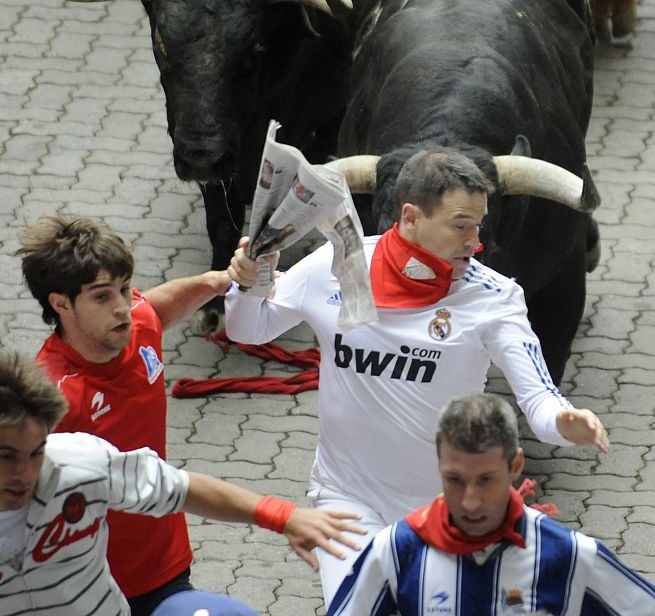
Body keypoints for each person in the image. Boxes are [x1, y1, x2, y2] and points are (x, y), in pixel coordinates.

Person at [224, 147, 610, 605]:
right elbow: (248, 329)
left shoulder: (496, 297)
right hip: (347, 500)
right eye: (460, 225)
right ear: (411, 217)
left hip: (451, 510)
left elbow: (539, 399)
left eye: (478, 226)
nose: (475, 242)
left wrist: (565, 422)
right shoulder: (333, 266)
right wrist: (246, 285)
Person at [15, 213, 363, 615]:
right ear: (61, 304)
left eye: (125, 289)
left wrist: (223, 280)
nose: (122, 308)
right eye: (101, 296)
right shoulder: (52, 399)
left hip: (162, 573)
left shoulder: (134, 324)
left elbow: (156, 310)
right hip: (83, 589)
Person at [0, 350, 365, 616]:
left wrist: (282, 515)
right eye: (7, 457)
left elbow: (181, 488)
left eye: (36, 452)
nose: (26, 474)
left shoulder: (80, 463)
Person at [327, 393, 655, 615]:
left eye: (486, 480)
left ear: (515, 467)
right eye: (455, 480)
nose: (470, 501)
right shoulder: (398, 550)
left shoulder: (568, 556)